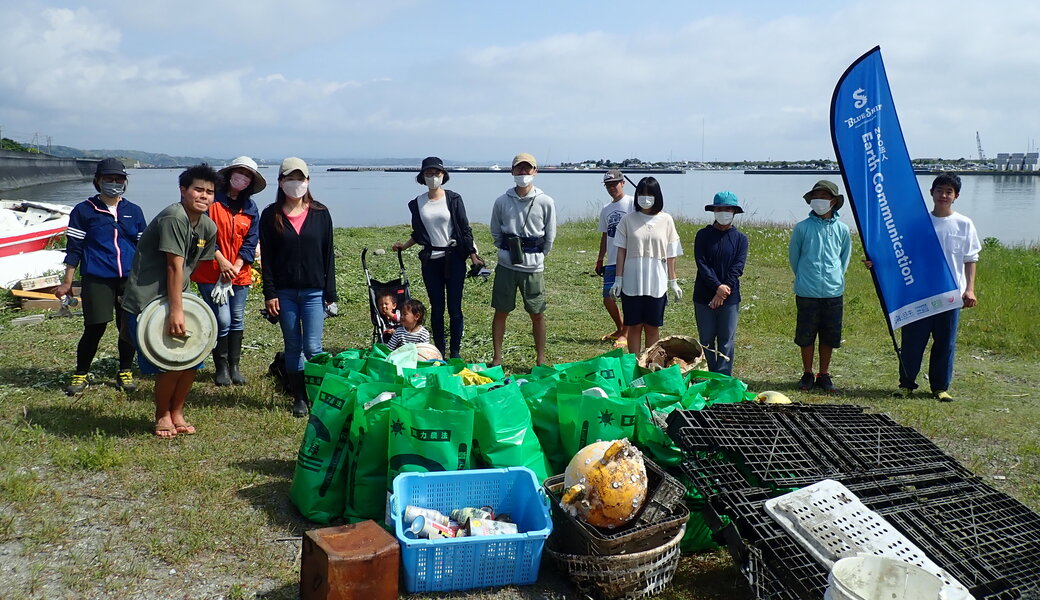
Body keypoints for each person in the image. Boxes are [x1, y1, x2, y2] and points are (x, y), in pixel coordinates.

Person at [121, 164, 219, 438]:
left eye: (210, 192)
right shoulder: (174, 218)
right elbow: (174, 267)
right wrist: (177, 311)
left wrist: (190, 306)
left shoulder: (207, 226)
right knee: (169, 364)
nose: (204, 196)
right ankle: (162, 414)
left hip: (180, 299)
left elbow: (193, 266)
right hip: (148, 300)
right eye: (198, 189)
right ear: (183, 190)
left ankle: (178, 411)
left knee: (192, 360)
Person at [56, 158, 148, 395]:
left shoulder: (134, 211)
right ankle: (80, 374)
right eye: (109, 179)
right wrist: (67, 281)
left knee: (127, 327)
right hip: (97, 277)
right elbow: (74, 247)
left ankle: (125, 370)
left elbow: (143, 246)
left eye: (119, 179)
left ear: (125, 182)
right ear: (98, 181)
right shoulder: (84, 210)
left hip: (129, 278)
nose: (114, 183)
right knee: (94, 327)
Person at [259, 157, 338, 418]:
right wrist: (269, 293)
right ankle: (299, 398)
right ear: (280, 182)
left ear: (308, 181)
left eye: (300, 178)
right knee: (293, 346)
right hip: (285, 292)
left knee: (314, 347)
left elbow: (328, 255)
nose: (296, 184)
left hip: (315, 291)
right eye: (290, 179)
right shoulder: (271, 215)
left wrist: (330, 293)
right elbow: (267, 259)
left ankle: (317, 395)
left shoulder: (321, 212)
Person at [895, 173, 981, 401]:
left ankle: (940, 387)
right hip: (920, 295)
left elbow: (970, 258)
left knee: (945, 343)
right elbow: (902, 256)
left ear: (956, 196)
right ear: (931, 192)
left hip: (950, 296)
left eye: (949, 192)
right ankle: (906, 384)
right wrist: (875, 262)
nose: (943, 195)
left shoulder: (964, 224)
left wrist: (969, 289)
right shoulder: (918, 223)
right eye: (940, 190)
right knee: (913, 342)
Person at [392, 156, 481, 359]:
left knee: (455, 308)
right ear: (422, 176)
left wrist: (473, 256)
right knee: (437, 307)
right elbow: (418, 232)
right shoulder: (417, 203)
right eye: (428, 173)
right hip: (431, 261)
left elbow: (464, 229)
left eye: (437, 173)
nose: (433, 177)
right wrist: (403, 246)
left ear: (444, 175)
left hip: (455, 259)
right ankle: (439, 351)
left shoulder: (454, 198)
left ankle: (455, 353)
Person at [190, 156, 264, 387]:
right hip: (210, 271)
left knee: (237, 318)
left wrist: (237, 266)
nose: (242, 178)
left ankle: (234, 366)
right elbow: (202, 235)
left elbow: (251, 241)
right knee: (222, 319)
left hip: (239, 273)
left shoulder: (251, 207)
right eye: (239, 172)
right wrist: (222, 261)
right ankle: (220, 367)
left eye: (248, 175)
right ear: (229, 174)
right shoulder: (212, 202)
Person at [489, 153, 556, 367]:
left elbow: (550, 236)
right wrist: (506, 251)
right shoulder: (501, 201)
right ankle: (497, 357)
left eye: (528, 169)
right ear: (512, 172)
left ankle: (540, 359)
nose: (523, 173)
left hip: (533, 267)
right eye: (519, 169)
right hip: (506, 265)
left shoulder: (546, 201)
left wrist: (538, 255)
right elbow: (495, 231)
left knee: (537, 313)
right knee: (501, 311)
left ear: (535, 172)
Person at [788, 180, 851, 393]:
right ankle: (807, 373)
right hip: (807, 290)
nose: (820, 201)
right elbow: (795, 258)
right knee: (806, 334)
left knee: (829, 335)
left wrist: (835, 278)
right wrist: (805, 277)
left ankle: (824, 373)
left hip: (833, 291)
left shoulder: (842, 229)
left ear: (833, 201)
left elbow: (844, 259)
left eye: (824, 197)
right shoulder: (802, 228)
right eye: (816, 197)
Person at [611, 177, 683, 355]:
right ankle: (634, 365)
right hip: (632, 281)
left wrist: (673, 281)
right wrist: (618, 279)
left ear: (657, 196)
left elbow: (671, 254)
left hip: (656, 281)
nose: (645, 198)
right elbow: (621, 251)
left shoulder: (666, 220)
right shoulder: (628, 220)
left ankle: (649, 364)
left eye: (650, 194)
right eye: (641, 194)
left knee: (652, 327)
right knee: (634, 326)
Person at [693, 191, 749, 376]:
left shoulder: (741, 239)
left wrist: (723, 292)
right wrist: (717, 287)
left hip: (730, 297)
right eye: (720, 209)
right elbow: (702, 264)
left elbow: (738, 267)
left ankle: (723, 378)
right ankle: (708, 374)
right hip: (703, 296)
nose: (723, 212)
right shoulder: (702, 235)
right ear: (714, 211)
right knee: (707, 339)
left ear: (734, 212)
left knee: (727, 340)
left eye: (727, 209)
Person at [595, 169, 634, 346]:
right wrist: (599, 258)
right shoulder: (606, 209)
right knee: (608, 297)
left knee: (627, 297)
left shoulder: (632, 203)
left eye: (615, 184)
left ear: (623, 183)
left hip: (628, 258)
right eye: (608, 185)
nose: (612, 188)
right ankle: (620, 327)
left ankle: (625, 334)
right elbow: (605, 236)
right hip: (611, 259)